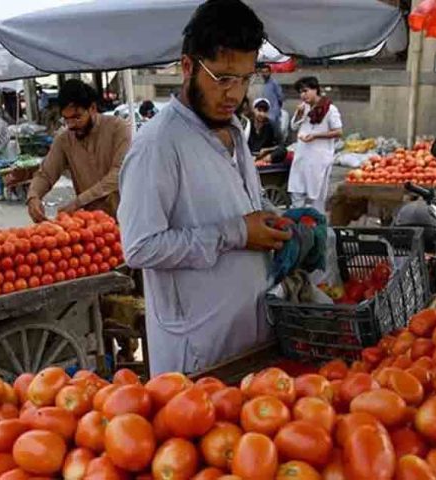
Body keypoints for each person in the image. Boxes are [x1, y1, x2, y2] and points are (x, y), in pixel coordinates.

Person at [117, 0, 292, 375]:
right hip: (198, 354)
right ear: (187, 67)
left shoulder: (233, 131)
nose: (234, 93)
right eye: (223, 78)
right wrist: (236, 233)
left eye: (245, 79)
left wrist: (273, 220)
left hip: (251, 337)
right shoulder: (158, 145)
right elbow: (140, 247)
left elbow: (244, 204)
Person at [27, 79, 131, 220]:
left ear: (92, 108)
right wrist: (33, 197)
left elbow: (118, 174)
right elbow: (46, 173)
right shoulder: (64, 138)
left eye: (77, 117)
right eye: (66, 119)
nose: (71, 125)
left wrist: (78, 202)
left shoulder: (119, 128)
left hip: (127, 217)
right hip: (91, 225)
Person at [288, 76, 343, 213]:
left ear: (315, 89)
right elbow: (294, 127)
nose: (303, 95)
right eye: (300, 92)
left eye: (306, 91)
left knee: (316, 196)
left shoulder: (330, 109)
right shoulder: (304, 108)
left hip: (319, 158)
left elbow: (338, 132)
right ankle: (297, 224)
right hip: (302, 155)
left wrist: (316, 136)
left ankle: (317, 226)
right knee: (296, 191)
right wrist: (299, 113)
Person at [248, 97, 284, 163]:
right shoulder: (247, 123)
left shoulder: (272, 125)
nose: (262, 114)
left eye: (264, 111)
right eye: (259, 110)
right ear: (254, 110)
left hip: (265, 156)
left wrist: (266, 150)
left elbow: (281, 145)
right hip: (248, 156)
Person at [259, 63, 284, 128]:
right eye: (263, 72)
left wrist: (277, 107)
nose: (264, 74)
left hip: (273, 111)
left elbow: (280, 97)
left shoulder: (274, 83)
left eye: (266, 72)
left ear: (270, 72)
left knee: (275, 130)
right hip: (263, 111)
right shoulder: (261, 84)